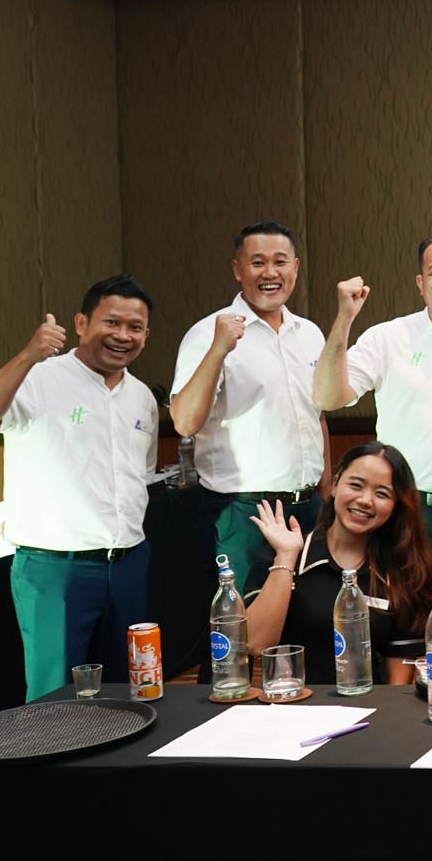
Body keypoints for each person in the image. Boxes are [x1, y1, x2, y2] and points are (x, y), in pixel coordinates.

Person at [0, 275, 159, 700]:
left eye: (135, 327)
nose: (123, 335)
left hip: (128, 562)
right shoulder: (37, 378)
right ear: (82, 323)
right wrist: (29, 355)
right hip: (56, 569)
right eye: (111, 322)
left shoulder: (141, 396)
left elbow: (141, 473)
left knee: (130, 692)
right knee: (53, 699)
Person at [313, 228, 432, 649]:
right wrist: (344, 319)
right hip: (402, 511)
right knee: (396, 627)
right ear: (420, 282)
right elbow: (327, 397)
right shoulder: (388, 338)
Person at [170, 221, 327, 597]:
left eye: (280, 262)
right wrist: (219, 349)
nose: (270, 273)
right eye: (257, 263)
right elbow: (184, 422)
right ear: (237, 270)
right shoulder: (207, 333)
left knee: (310, 617)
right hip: (243, 512)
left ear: (295, 268)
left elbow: (317, 414)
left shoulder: (309, 333)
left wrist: (328, 490)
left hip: (309, 506)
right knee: (242, 622)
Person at [241, 441, 432, 687]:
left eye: (382, 493)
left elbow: (398, 676)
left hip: (367, 704)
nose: (365, 500)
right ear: (334, 484)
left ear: (396, 505)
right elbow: (255, 643)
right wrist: (285, 557)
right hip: (292, 700)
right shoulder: (285, 552)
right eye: (356, 485)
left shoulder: (401, 570)